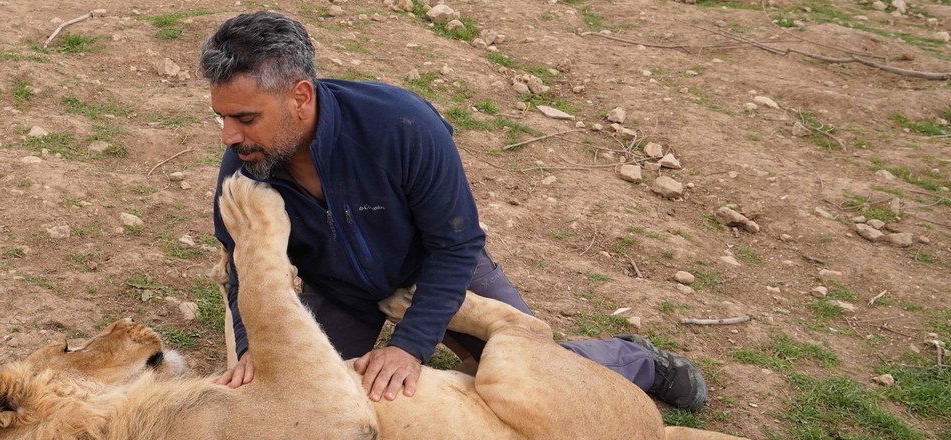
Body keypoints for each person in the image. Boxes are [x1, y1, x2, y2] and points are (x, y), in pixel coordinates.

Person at [199, 11, 708, 412]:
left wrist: (410, 345)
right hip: (341, 293)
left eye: (246, 118)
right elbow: (243, 269)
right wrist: (252, 347)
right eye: (222, 117)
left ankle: (638, 361)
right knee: (291, 400)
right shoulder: (244, 168)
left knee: (534, 381)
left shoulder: (400, 125)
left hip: (435, 271)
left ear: (301, 97)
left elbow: (455, 242)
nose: (230, 137)